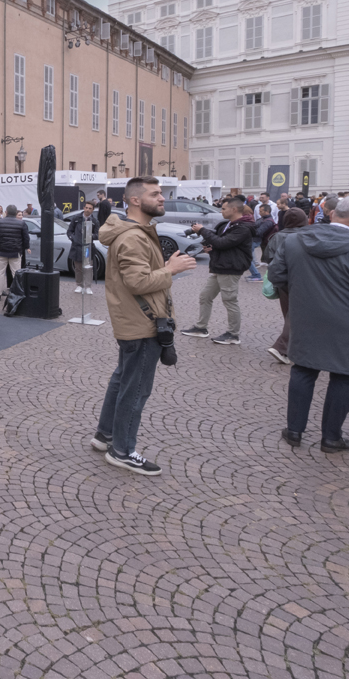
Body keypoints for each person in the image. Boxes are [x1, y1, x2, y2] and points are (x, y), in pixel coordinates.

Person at [268, 196, 349, 452]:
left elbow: (277, 275)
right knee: (345, 378)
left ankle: (294, 431)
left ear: (332, 214)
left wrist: (305, 294)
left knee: (303, 372)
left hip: (306, 319)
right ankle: (331, 437)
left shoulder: (295, 241)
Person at [94, 176, 197, 476]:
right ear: (135, 200)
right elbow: (137, 282)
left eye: (161, 193)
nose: (162, 198)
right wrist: (169, 270)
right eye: (155, 194)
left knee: (122, 380)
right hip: (142, 324)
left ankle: (105, 435)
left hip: (137, 321)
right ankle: (123, 451)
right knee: (135, 389)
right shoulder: (133, 236)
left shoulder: (137, 231)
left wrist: (165, 267)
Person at [180, 197, 255, 345]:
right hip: (222, 266)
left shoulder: (243, 227)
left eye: (223, 209)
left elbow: (223, 243)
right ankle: (201, 328)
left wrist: (202, 230)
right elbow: (223, 246)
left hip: (230, 268)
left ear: (234, 209)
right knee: (205, 296)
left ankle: (233, 335)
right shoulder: (230, 224)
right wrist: (212, 250)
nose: (221, 211)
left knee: (230, 300)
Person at [263, 208, 308, 364]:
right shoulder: (308, 236)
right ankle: (283, 347)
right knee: (296, 314)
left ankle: (290, 347)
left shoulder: (277, 236)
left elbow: (268, 257)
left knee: (289, 313)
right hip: (304, 279)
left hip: (283, 280)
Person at [0, 204, 30, 302]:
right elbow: (26, 238)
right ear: (15, 213)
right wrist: (25, 248)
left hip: (1, 251)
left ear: (6, 212)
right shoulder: (21, 224)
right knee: (16, 273)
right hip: (15, 252)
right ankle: (17, 293)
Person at [68, 201, 96, 294]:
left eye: (90, 208)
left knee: (88, 267)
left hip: (88, 247)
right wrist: (73, 239)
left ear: (93, 210)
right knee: (78, 267)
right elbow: (69, 231)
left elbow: (98, 234)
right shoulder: (76, 219)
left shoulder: (94, 221)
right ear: (84, 208)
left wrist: (92, 236)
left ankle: (88, 286)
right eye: (86, 207)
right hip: (77, 246)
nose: (87, 210)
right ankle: (79, 285)